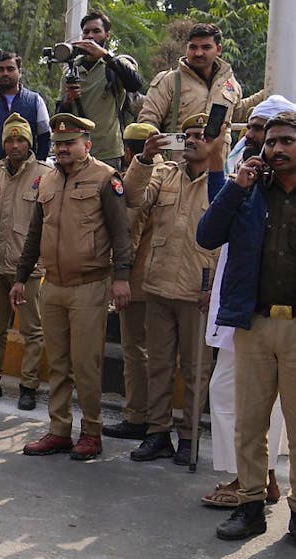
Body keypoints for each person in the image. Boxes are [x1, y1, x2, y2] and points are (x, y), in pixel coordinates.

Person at [197, 111, 296, 542]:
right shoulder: (250, 191)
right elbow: (207, 235)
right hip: (253, 323)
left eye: (287, 141)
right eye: (271, 142)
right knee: (249, 424)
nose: (277, 149)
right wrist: (238, 187)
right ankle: (250, 506)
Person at [12, 113, 132, 461]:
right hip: (54, 285)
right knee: (59, 364)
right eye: (58, 144)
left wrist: (121, 277)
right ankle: (59, 430)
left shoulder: (105, 179)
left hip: (89, 286)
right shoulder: (47, 181)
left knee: (85, 364)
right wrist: (21, 278)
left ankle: (91, 432)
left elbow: (121, 232)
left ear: (87, 145)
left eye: (70, 143)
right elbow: (35, 234)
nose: (62, 149)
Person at [121, 113, 219, 465]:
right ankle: (157, 432)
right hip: (159, 286)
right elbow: (132, 198)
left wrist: (216, 289)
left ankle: (189, 437)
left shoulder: (222, 183)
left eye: (201, 136)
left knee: (196, 370)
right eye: (188, 135)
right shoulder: (164, 174)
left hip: (199, 293)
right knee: (159, 365)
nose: (193, 140)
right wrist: (144, 159)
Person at [0, 113, 50, 410]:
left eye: (21, 139)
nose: (15, 145)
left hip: (29, 268)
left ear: (29, 143)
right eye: (10, 139)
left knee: (33, 331)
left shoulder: (45, 176)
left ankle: (28, 386)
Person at [101, 122, 160, 441]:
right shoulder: (171, 172)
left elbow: (128, 230)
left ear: (127, 150)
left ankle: (139, 415)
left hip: (138, 280)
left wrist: (118, 277)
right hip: (163, 279)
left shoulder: (135, 179)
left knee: (136, 350)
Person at [137, 23, 265, 146]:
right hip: (178, 164)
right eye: (193, 47)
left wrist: (268, 92)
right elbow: (148, 123)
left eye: (206, 47)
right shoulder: (169, 81)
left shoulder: (229, 83)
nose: (198, 53)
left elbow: (237, 113)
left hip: (218, 165)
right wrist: (179, 146)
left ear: (218, 49)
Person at [56, 10, 144, 170]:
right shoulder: (71, 69)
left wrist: (105, 56)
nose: (90, 36)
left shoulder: (116, 64)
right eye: (86, 32)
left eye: (96, 31)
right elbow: (60, 114)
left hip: (108, 152)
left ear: (107, 35)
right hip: (77, 151)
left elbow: (135, 84)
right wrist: (68, 100)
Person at [0, 48, 51, 171]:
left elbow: (44, 136)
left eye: (10, 69)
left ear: (19, 72)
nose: (5, 73)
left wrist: (37, 167)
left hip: (25, 171)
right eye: (1, 69)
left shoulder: (35, 100)